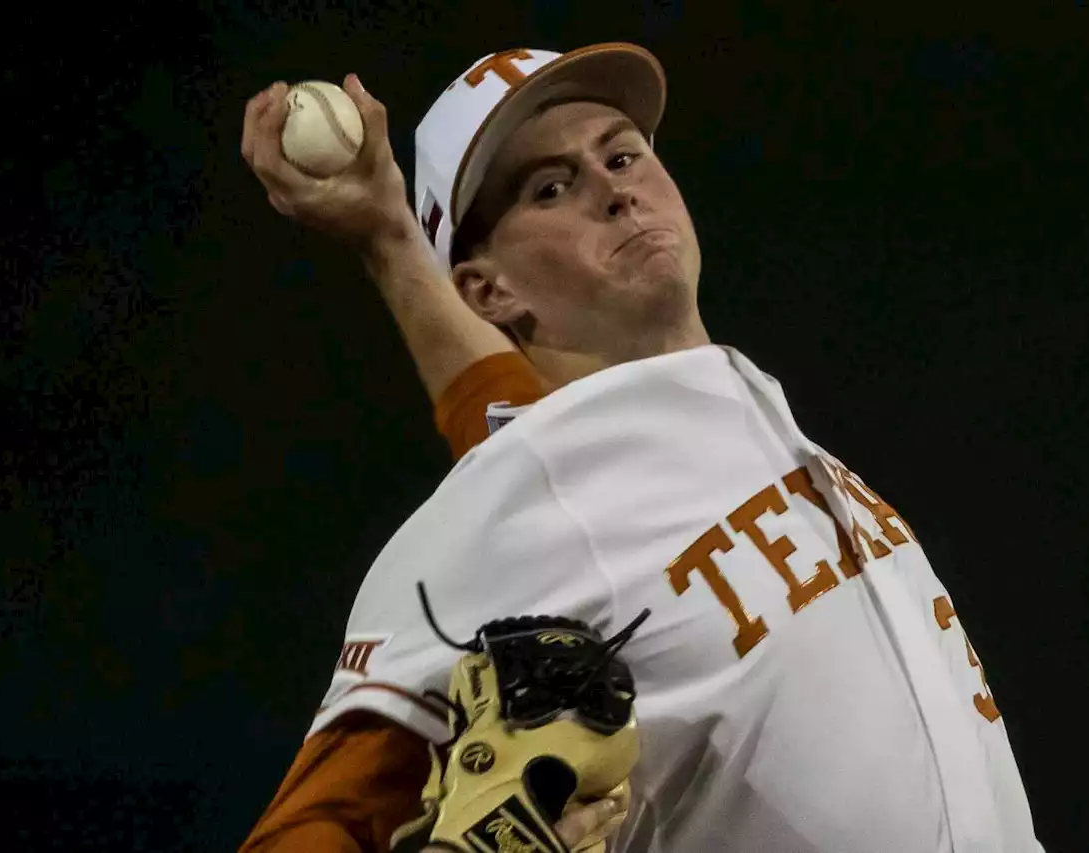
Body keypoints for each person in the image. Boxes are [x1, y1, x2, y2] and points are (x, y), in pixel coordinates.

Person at [238, 44, 1046, 853]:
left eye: (621, 154)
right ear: (487, 291)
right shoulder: (508, 508)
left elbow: (538, 437)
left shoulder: (678, 430)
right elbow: (309, 827)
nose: (615, 191)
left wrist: (390, 237)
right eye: (552, 188)